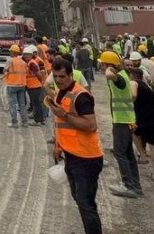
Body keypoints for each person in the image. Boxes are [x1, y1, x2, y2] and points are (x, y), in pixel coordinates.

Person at [47, 58, 104, 234]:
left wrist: (64, 114)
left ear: (71, 75)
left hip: (87, 157)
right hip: (71, 155)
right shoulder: (59, 93)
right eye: (55, 76)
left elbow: (90, 125)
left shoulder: (81, 96)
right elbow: (60, 125)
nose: (58, 80)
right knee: (79, 199)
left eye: (62, 76)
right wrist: (58, 146)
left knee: (86, 204)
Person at [98, 51, 143, 198]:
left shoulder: (119, 78)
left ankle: (128, 185)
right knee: (128, 153)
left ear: (108, 65)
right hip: (126, 119)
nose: (100, 66)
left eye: (103, 64)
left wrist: (110, 70)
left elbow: (111, 75)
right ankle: (135, 185)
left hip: (122, 121)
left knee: (120, 153)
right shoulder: (124, 75)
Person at [128, 67, 154, 183]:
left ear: (132, 76)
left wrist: (128, 102)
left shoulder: (133, 82)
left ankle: (142, 155)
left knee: (133, 132)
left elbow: (133, 94)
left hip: (140, 117)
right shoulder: (147, 85)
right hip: (152, 117)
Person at [3, 44, 29, 127]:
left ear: (13, 52)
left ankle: (14, 123)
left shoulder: (10, 61)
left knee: (12, 104)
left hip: (12, 85)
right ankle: (24, 122)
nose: (10, 53)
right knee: (22, 104)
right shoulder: (23, 62)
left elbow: (5, 70)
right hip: (22, 85)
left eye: (10, 51)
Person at [23, 44, 46, 126]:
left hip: (34, 86)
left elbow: (39, 74)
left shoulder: (32, 63)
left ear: (31, 55)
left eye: (27, 54)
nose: (25, 56)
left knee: (36, 104)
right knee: (37, 103)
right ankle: (41, 119)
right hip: (32, 86)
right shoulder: (30, 62)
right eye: (24, 54)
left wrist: (41, 82)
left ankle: (37, 121)